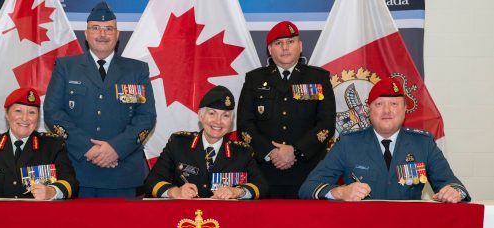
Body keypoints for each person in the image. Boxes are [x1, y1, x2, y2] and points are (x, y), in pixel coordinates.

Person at [44, 1, 156, 197]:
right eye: (95, 28)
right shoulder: (65, 67)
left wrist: (116, 149)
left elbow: (146, 117)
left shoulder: (137, 70)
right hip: (76, 172)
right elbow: (53, 113)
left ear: (117, 34)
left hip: (123, 172)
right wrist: (88, 149)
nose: (102, 34)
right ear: (86, 34)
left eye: (108, 29)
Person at [299, 78, 470, 203]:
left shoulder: (423, 144)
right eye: (379, 104)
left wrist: (454, 192)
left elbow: (452, 184)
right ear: (368, 111)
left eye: (394, 104)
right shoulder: (348, 143)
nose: (387, 110)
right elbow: (308, 188)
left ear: (404, 110)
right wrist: (339, 192)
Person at [237, 21, 336, 199]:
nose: (285, 47)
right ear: (269, 50)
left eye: (290, 42)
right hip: (265, 173)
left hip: (308, 172)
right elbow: (245, 125)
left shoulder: (318, 77)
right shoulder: (254, 79)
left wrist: (295, 150)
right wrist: (271, 152)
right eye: (278, 43)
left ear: (300, 46)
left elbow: (326, 124)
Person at [144, 86, 268, 199]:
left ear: (231, 121)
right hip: (185, 217)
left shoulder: (242, 152)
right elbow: (151, 181)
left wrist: (238, 192)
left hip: (227, 218)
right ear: (201, 116)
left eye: (225, 116)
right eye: (212, 113)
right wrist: (175, 192)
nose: (218, 121)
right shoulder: (178, 144)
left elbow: (262, 187)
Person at [0, 87, 79, 200]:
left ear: (38, 116)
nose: (25, 118)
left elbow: (71, 183)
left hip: (38, 216)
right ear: (6, 113)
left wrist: (52, 191)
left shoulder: (52, 146)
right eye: (18, 111)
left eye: (31, 112)